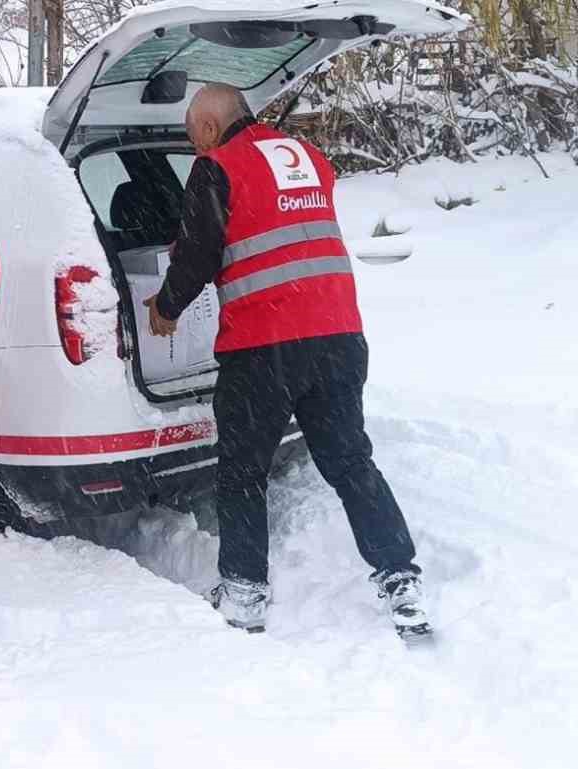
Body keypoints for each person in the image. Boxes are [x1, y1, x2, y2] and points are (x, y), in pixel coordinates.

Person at [143, 84, 429, 639]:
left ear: (207, 128)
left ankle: (245, 592)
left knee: (243, 472)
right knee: (351, 463)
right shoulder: (306, 156)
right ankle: (399, 577)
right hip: (339, 336)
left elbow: (200, 250)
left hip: (264, 345)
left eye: (191, 136)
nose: (194, 147)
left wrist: (167, 307)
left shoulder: (216, 167)